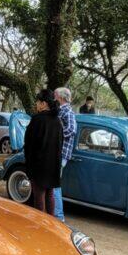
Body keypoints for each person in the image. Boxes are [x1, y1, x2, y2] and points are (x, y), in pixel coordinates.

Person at [23, 89, 63, 215]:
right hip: (53, 164)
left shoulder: (37, 119)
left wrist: (29, 165)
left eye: (38, 101)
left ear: (44, 103)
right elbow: (60, 143)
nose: (36, 104)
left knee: (39, 195)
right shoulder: (57, 121)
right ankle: (51, 224)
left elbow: (28, 144)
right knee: (50, 194)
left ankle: (40, 226)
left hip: (38, 164)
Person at [53, 87, 77, 222]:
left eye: (55, 96)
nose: (54, 98)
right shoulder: (61, 111)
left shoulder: (67, 111)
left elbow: (72, 130)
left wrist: (57, 135)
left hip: (61, 153)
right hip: (58, 152)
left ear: (61, 98)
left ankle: (59, 217)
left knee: (54, 184)